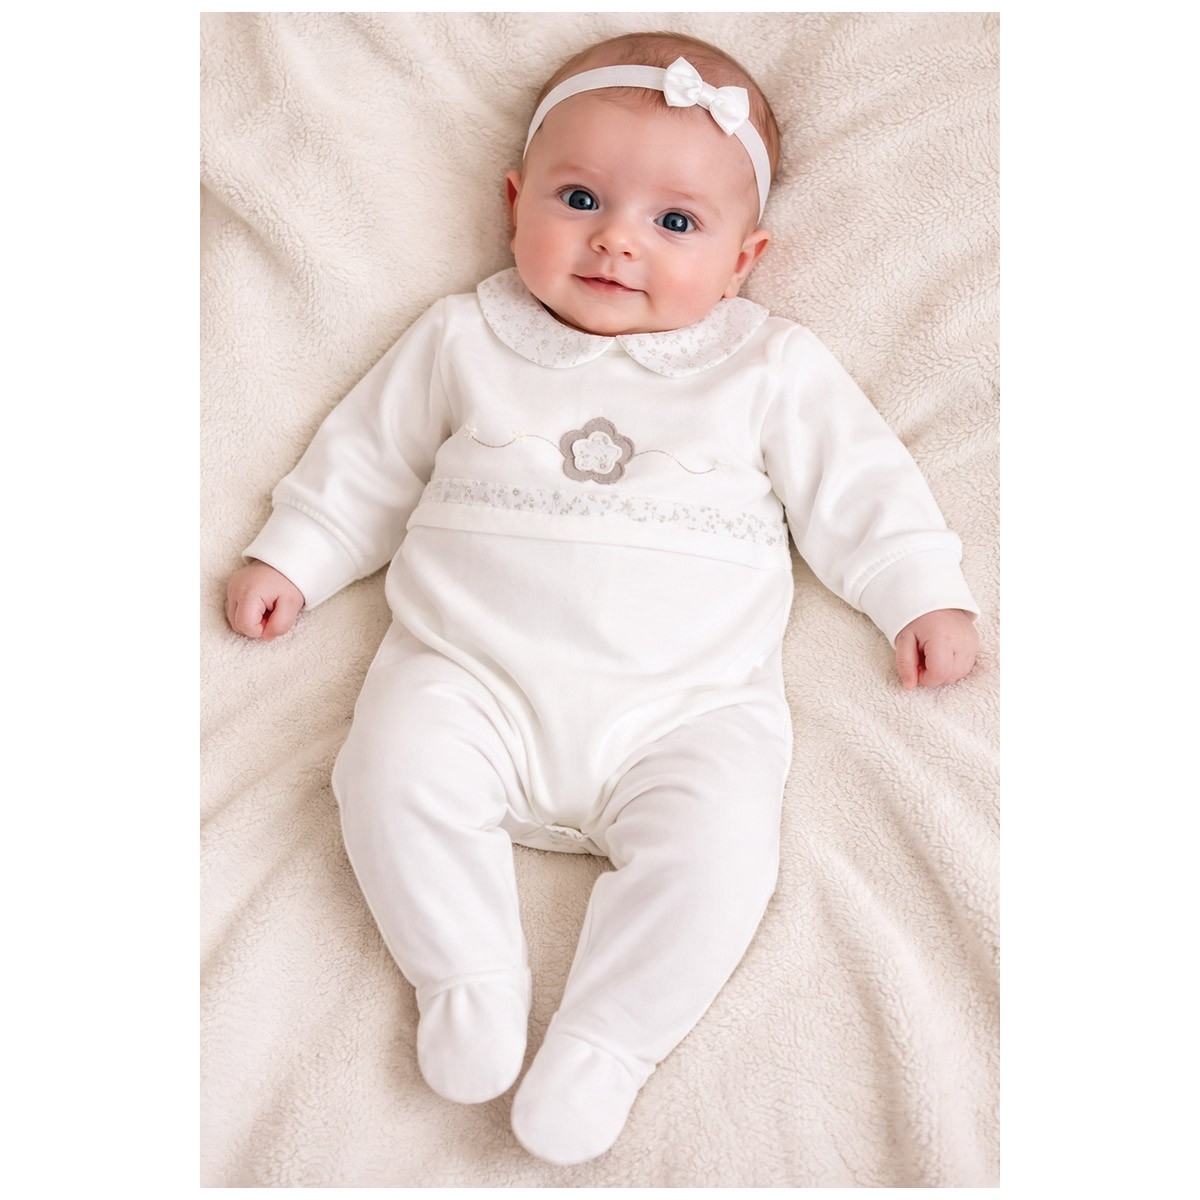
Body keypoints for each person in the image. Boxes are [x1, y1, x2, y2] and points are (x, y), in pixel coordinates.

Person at [224, 30, 980, 1167]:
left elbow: (862, 487)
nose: (618, 239)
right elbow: (366, 461)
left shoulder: (768, 367)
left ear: (743, 259)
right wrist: (298, 554)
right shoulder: (464, 336)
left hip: (687, 713)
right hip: (468, 678)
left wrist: (919, 592)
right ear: (515, 202)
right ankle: (465, 977)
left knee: (723, 852)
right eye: (581, 199)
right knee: (386, 772)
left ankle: (608, 1044)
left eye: (675, 222)